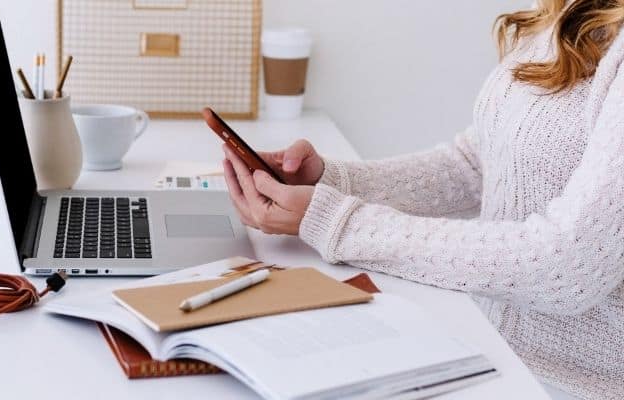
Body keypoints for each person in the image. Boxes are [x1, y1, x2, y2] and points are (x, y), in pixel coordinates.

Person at [221, 1, 624, 399]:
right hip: (491, 351)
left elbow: (568, 264)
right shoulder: (560, 14)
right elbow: (476, 164)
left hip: (572, 385)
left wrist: (338, 223)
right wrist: (333, 181)